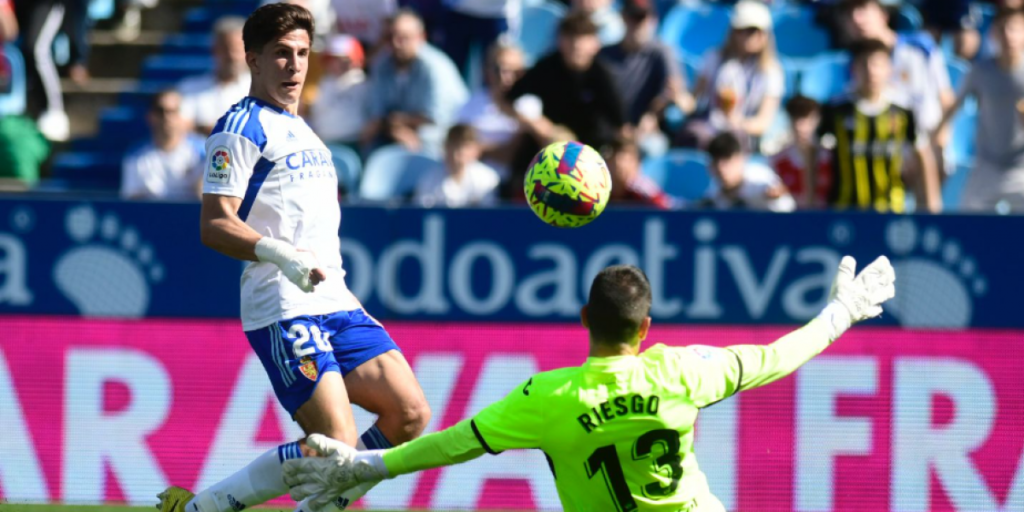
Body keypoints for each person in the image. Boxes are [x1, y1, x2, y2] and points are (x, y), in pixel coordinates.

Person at [280, 259, 897, 512]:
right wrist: (839, 314)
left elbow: (453, 444)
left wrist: (374, 466)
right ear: (647, 327)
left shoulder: (547, 398)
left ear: (584, 320)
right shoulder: (681, 371)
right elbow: (777, 356)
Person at [157, 5, 430, 512]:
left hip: (335, 298)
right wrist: (278, 253)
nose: (295, 65)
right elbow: (214, 223)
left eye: (303, 53)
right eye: (282, 54)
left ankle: (310, 504)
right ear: (253, 59)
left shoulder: (304, 127)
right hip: (283, 302)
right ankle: (205, 507)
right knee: (335, 440)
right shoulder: (240, 127)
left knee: (409, 414)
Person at [817, 39, 942, 213]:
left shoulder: (903, 110)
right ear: (854, 69)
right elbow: (812, 149)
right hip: (844, 208)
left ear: (889, 69)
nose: (871, 71)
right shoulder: (836, 109)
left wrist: (931, 204)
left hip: (892, 208)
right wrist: (810, 197)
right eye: (864, 64)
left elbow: (923, 153)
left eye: (877, 64)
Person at [839, 0, 954, 171]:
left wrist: (941, 139)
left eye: (863, 9)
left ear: (883, 14)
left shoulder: (920, 47)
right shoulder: (853, 65)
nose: (857, 19)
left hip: (930, 142)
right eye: (850, 14)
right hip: (885, 151)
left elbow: (946, 97)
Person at [935, 7, 1024, 212]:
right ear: (993, 34)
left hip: (1021, 167)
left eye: (1015, 29)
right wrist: (937, 136)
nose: (1008, 35)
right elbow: (953, 107)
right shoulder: (981, 71)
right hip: (987, 164)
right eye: (1002, 29)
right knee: (968, 219)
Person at [505, 11, 625, 152]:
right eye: (571, 36)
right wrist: (543, 128)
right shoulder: (546, 68)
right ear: (559, 40)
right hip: (551, 148)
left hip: (592, 151)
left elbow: (621, 126)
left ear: (596, 43)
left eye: (583, 37)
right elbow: (508, 100)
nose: (576, 44)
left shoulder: (605, 76)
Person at [361, 9, 469, 156]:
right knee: (369, 140)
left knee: (427, 137)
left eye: (404, 38)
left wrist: (398, 123)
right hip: (394, 131)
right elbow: (377, 113)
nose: (396, 43)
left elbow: (436, 118)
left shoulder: (435, 67)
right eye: (390, 37)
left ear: (421, 37)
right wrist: (393, 128)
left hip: (441, 137)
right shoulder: (382, 64)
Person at [678, 0, 784, 150]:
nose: (752, 36)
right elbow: (694, 99)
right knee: (693, 134)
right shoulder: (713, 58)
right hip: (711, 126)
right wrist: (680, 98)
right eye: (746, 30)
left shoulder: (772, 71)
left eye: (757, 31)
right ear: (734, 32)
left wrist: (738, 122)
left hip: (742, 134)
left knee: (731, 143)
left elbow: (763, 122)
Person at [599, 0, 693, 151]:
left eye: (642, 18)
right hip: (609, 130)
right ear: (623, 17)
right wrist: (616, 129)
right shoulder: (604, 54)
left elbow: (672, 90)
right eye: (633, 17)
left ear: (653, 20)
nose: (637, 24)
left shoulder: (661, 53)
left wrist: (652, 116)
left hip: (644, 132)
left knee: (653, 148)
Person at [456, 42, 539, 179]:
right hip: (474, 186)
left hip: (519, 184)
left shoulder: (531, 104)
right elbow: (458, 149)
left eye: (514, 71)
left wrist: (480, 149)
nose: (505, 77)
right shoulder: (470, 105)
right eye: (498, 69)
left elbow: (518, 153)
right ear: (486, 70)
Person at [121, 90, 206, 201]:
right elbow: (132, 202)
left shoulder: (206, 152)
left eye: (173, 111)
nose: (167, 117)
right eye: (160, 111)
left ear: (184, 117)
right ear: (150, 117)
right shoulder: (135, 157)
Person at [178, 16, 252, 135]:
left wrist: (204, 128)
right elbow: (182, 129)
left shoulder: (261, 88)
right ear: (214, 50)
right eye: (226, 48)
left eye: (237, 49)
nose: (232, 56)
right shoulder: (189, 87)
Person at [701, 131, 795, 212]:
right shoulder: (710, 191)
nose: (721, 168)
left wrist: (776, 198)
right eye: (716, 161)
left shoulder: (761, 178)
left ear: (741, 159)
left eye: (727, 160)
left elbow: (787, 207)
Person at [414, 124, 501, 207]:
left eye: (465, 146)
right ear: (445, 147)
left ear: (476, 150)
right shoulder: (429, 178)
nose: (457, 153)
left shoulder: (487, 178)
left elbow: (488, 215)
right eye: (453, 146)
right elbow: (423, 213)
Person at [770, 95, 833, 209]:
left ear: (818, 120)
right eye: (796, 119)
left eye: (807, 119)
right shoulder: (777, 162)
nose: (801, 127)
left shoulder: (830, 159)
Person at [307, 34, 369, 146]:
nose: (335, 64)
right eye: (331, 59)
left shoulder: (361, 83)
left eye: (342, 59)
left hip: (353, 143)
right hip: (322, 142)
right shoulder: (325, 82)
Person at [605, 134, 676, 209]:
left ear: (637, 164)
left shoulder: (645, 192)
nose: (619, 164)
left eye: (627, 160)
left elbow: (668, 211)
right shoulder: (600, 190)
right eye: (613, 159)